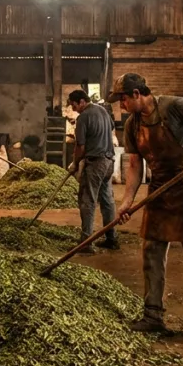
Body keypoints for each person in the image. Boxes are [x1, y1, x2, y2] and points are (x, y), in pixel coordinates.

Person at [109, 73, 183, 345]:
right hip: (159, 189)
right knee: (151, 251)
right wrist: (126, 201)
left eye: (123, 99)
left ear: (137, 94)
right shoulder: (131, 125)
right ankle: (153, 316)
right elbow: (136, 166)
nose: (121, 104)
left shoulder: (174, 106)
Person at [67, 89, 118, 253]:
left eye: (74, 105)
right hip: (109, 161)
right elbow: (110, 129)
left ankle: (86, 242)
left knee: (87, 200)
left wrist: (75, 163)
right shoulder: (103, 110)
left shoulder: (83, 118)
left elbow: (80, 146)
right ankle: (112, 238)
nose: (74, 109)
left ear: (82, 101)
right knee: (107, 200)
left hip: (96, 162)